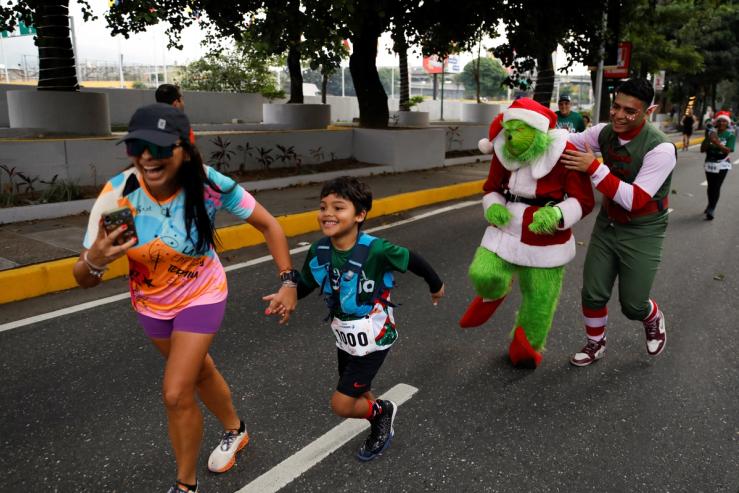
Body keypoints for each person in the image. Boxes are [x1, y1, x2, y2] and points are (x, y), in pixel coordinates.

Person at [73, 103, 298, 493]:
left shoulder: (210, 184)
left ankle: (185, 486)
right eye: (138, 145)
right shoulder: (119, 193)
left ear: (185, 148)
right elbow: (82, 278)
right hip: (151, 302)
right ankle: (236, 430)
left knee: (176, 391)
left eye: (159, 147)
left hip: (202, 293)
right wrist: (93, 260)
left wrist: (288, 281)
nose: (147, 156)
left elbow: (269, 224)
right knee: (200, 371)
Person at [265, 176, 444, 461]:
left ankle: (383, 411)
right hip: (345, 334)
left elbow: (414, 260)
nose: (328, 214)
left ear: (360, 215)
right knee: (358, 389)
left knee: (343, 404)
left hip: (375, 335)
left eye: (338, 208)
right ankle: (378, 422)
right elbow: (308, 283)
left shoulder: (376, 250)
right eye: (323, 207)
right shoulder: (319, 251)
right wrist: (287, 295)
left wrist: (436, 285)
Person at [559, 78, 676, 367]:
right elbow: (563, 141)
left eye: (630, 111)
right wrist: (527, 127)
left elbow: (634, 199)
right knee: (593, 291)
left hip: (643, 228)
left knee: (633, 304)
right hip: (608, 222)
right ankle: (595, 344)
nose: (619, 115)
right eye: (616, 107)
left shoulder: (661, 149)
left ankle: (651, 316)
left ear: (648, 111)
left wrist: (595, 168)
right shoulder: (603, 132)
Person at [701, 111, 735, 220]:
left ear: (727, 123)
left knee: (716, 186)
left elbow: (727, 150)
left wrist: (716, 142)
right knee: (711, 186)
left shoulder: (730, 135)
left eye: (724, 121)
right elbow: (702, 149)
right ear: (716, 122)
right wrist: (707, 138)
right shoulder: (711, 133)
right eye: (720, 121)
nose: (721, 123)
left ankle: (712, 208)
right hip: (710, 162)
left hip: (722, 164)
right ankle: (710, 204)